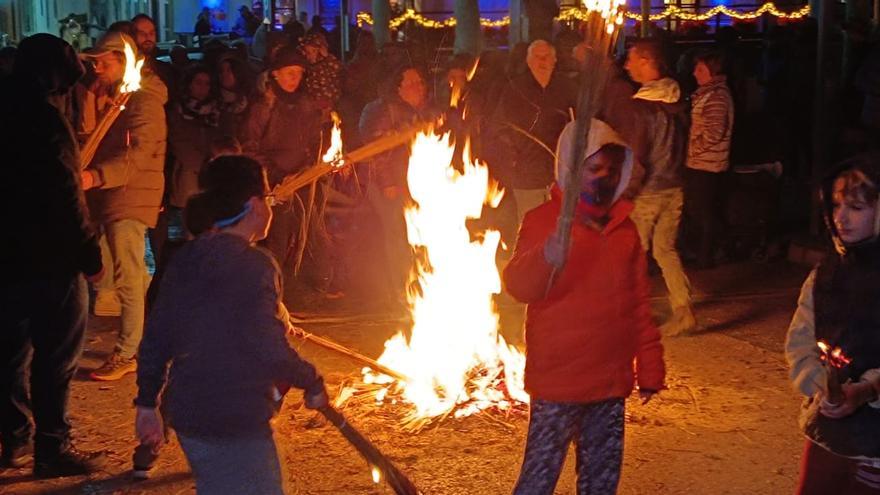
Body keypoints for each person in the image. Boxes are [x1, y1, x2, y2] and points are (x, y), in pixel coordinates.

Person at [135, 155, 328, 494]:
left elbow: (156, 336)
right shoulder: (255, 265)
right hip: (235, 413)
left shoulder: (185, 258)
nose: (270, 207)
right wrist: (311, 380)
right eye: (268, 200)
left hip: (190, 413)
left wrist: (148, 403)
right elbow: (266, 342)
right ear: (254, 205)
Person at [504, 119, 665, 494]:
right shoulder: (542, 222)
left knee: (601, 482)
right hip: (558, 383)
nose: (603, 178)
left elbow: (639, 302)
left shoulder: (625, 231)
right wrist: (546, 255)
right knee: (538, 479)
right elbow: (518, 286)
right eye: (594, 168)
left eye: (611, 170)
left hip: (608, 384)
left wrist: (650, 365)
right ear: (570, 169)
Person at [0, 33, 106, 477]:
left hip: (5, 259)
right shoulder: (45, 119)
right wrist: (89, 252)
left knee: (8, 357)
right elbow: (67, 192)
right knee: (56, 358)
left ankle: (14, 440)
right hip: (50, 261)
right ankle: (51, 446)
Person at [785, 152, 880, 495]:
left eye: (856, 207)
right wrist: (820, 388)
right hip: (830, 429)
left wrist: (868, 390)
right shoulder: (825, 275)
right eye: (837, 205)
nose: (842, 217)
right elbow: (800, 341)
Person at [77, 32, 168, 380]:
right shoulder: (114, 98)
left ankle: (129, 351)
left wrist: (97, 176)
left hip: (130, 195)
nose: (97, 67)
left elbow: (140, 153)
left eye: (104, 61)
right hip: (110, 196)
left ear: (124, 61)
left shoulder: (143, 102)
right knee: (117, 272)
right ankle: (146, 336)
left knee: (128, 275)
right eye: (94, 61)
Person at [615, 38, 695, 336]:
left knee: (635, 254)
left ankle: (631, 316)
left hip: (648, 190)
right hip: (675, 184)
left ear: (648, 61)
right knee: (665, 249)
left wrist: (625, 192)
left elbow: (636, 155)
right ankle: (683, 309)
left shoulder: (642, 107)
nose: (627, 64)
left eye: (632, 59)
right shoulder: (677, 98)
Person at [241, 46, 327, 295]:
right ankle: (271, 291)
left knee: (310, 233)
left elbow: (314, 141)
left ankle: (309, 285)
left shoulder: (305, 104)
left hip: (304, 180)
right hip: (276, 185)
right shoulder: (263, 106)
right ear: (275, 74)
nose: (294, 79)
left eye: (299, 74)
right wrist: (277, 176)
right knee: (278, 238)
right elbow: (250, 146)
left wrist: (311, 167)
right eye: (290, 73)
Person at [488, 40, 577, 250]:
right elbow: (499, 126)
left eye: (546, 56)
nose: (542, 61)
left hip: (561, 174)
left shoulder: (567, 87)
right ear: (528, 61)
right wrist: (513, 156)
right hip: (527, 175)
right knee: (530, 228)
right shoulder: (514, 89)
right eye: (537, 57)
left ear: (555, 60)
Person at [359, 66, 434, 308]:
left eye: (420, 82)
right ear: (398, 88)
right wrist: (387, 182)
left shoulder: (425, 110)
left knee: (418, 235)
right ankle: (402, 290)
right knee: (398, 236)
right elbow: (377, 149)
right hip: (391, 184)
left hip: (417, 183)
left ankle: (421, 285)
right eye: (411, 83)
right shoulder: (384, 111)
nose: (418, 87)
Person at [684, 49, 734, 269]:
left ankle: (707, 254)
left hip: (707, 164)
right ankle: (706, 250)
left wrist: (691, 149)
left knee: (704, 211)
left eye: (701, 69)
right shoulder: (707, 93)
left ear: (712, 72)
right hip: (702, 163)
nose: (695, 72)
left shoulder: (716, 96)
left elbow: (714, 132)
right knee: (702, 210)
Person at [167, 65, 222, 221]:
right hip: (188, 175)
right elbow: (178, 140)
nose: (203, 88)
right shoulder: (178, 110)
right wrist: (201, 163)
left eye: (207, 83)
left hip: (212, 174)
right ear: (189, 84)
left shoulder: (216, 110)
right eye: (198, 82)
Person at [300, 33, 342, 122]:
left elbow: (338, 69)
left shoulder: (328, 63)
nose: (310, 55)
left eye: (313, 51)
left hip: (329, 102)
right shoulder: (306, 66)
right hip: (312, 105)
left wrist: (327, 57)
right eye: (307, 52)